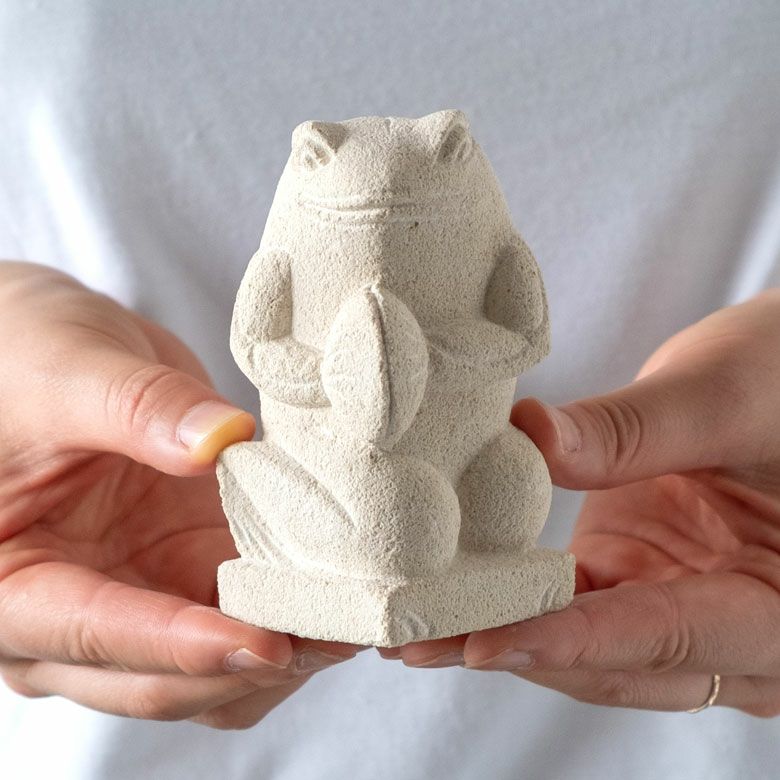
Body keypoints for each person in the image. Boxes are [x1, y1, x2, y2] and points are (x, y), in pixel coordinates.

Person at [1, 2, 779, 778]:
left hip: (674, 681)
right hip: (300, 489)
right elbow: (257, 345)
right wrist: (335, 376)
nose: (382, 228)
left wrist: (438, 357)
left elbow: (525, 333)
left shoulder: (490, 232)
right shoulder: (288, 239)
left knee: (512, 494)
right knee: (404, 523)